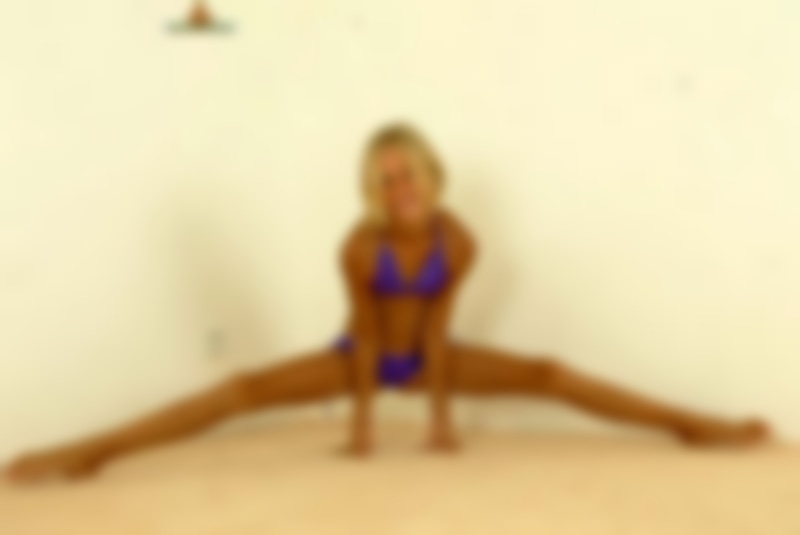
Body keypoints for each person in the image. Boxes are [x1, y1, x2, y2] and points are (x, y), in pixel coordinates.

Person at [6, 123, 768, 483]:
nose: (400, 188)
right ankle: (92, 450)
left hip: (430, 358)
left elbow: (439, 328)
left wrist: (439, 417)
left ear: (432, 176)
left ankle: (693, 425)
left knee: (548, 371)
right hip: (359, 360)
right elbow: (366, 337)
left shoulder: (459, 239)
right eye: (385, 179)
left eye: (409, 175)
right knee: (239, 390)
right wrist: (363, 423)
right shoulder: (359, 246)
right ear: (373, 188)